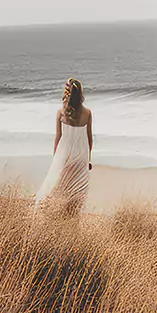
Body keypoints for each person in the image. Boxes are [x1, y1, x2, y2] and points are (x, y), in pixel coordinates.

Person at [34, 78, 93, 217]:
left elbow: (58, 137)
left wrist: (56, 158)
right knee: (77, 190)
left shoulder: (61, 113)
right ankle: (72, 218)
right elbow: (90, 139)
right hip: (81, 157)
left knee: (58, 186)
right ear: (81, 94)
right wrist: (88, 160)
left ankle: (52, 214)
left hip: (65, 155)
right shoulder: (88, 113)